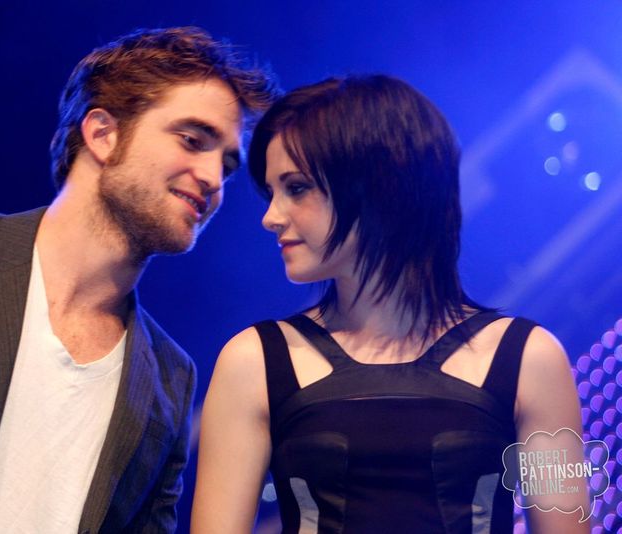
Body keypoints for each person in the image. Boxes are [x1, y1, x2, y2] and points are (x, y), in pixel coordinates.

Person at [0, 27, 277, 533]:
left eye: (226, 166)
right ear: (102, 133)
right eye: (192, 141)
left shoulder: (171, 377)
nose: (213, 178)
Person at [192, 76, 587, 533]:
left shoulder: (531, 359)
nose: (270, 217)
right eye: (272, 192)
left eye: (296, 188)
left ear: (379, 185)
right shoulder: (254, 362)